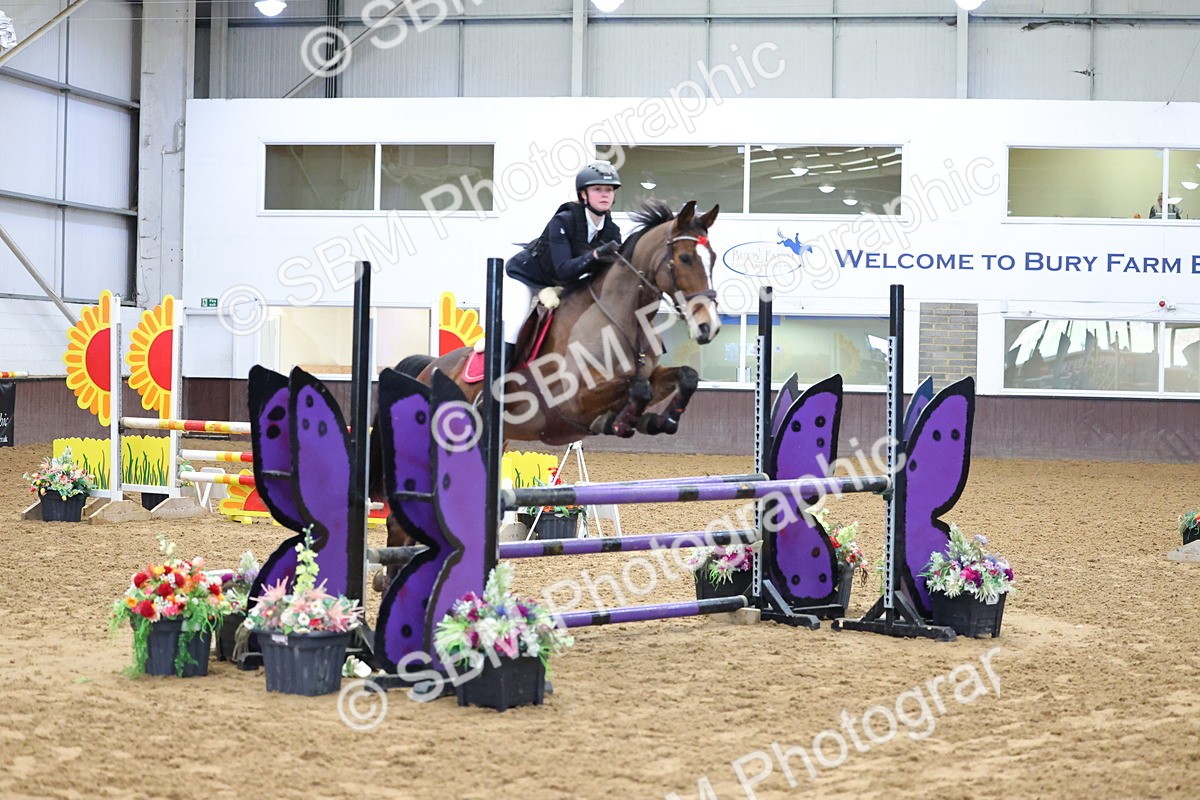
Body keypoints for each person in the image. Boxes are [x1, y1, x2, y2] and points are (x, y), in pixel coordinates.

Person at [500, 161, 624, 365]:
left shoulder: (612, 231)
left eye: (609, 190)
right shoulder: (563, 221)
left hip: (561, 286)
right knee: (513, 329)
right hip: (526, 279)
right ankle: (496, 390)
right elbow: (564, 269)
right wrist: (595, 255)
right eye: (598, 189)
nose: (604, 194)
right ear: (583, 194)